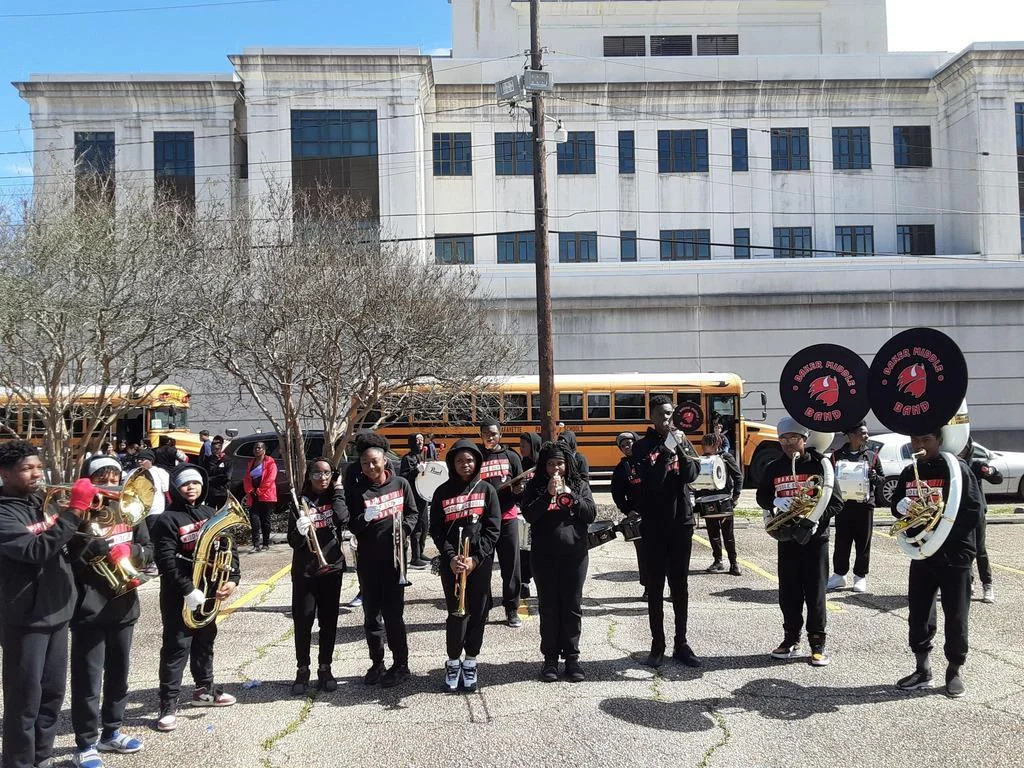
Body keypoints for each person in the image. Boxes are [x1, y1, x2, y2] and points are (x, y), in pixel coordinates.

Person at [0, 441, 92, 768]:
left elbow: (66, 546)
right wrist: (74, 512)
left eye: (39, 467)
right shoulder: (3, 512)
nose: (37, 473)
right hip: (26, 619)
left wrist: (86, 523)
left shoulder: (42, 501)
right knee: (24, 702)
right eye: (27, 468)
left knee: (52, 696)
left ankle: (42, 759)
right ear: (5, 474)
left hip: (58, 612)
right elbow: (35, 550)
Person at [68, 456, 150, 767]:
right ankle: (85, 742)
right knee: (88, 679)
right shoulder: (76, 515)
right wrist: (95, 548)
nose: (110, 482)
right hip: (89, 607)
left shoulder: (130, 510)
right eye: (102, 476)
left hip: (124, 603)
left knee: (119, 675)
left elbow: (148, 547)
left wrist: (134, 552)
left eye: (115, 476)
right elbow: (69, 559)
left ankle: (112, 732)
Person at [892, 429, 983, 698]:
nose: (919, 446)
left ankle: (954, 670)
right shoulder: (910, 471)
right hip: (922, 551)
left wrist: (940, 534)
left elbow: (973, 511)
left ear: (939, 441)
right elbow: (896, 501)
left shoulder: (957, 469)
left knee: (956, 614)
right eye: (914, 441)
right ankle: (922, 669)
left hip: (955, 554)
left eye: (926, 440)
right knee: (918, 612)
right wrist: (901, 505)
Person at [150, 465, 239, 732]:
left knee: (205, 641)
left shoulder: (210, 513)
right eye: (185, 484)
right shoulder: (166, 519)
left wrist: (232, 580)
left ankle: (204, 690)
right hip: (180, 594)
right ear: (176, 489)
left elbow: (228, 549)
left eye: (196, 483)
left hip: (209, 590)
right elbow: (166, 561)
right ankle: (168, 703)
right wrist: (188, 589)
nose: (191, 488)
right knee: (177, 647)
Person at [756, 416, 844, 667]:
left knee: (815, 592)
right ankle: (790, 639)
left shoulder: (819, 464)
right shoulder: (774, 467)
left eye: (793, 438)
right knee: (789, 591)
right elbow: (762, 496)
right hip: (786, 537)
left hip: (816, 539)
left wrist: (814, 518)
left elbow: (836, 501)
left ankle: (818, 643)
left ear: (804, 438)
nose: (788, 444)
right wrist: (775, 502)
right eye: (783, 439)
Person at [632, 396, 702, 668]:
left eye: (671, 414)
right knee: (656, 586)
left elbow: (691, 474)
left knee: (680, 585)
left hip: (680, 523)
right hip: (654, 525)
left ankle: (681, 642)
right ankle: (657, 643)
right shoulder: (641, 447)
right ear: (652, 417)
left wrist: (681, 450)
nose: (668, 419)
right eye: (662, 415)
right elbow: (650, 483)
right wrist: (664, 454)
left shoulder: (682, 440)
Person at [345, 433, 419, 688]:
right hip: (368, 561)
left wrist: (404, 533)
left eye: (374, 461)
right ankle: (377, 663)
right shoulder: (358, 491)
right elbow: (352, 524)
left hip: (395, 561)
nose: (370, 467)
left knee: (394, 616)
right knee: (371, 617)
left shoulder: (401, 484)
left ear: (385, 460)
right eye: (365, 463)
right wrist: (364, 518)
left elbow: (413, 513)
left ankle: (401, 665)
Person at [429, 439, 501, 692]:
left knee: (479, 612)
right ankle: (453, 660)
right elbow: (436, 530)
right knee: (456, 613)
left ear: (477, 462)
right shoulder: (442, 491)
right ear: (452, 463)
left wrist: (476, 558)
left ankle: (471, 659)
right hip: (453, 564)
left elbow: (493, 529)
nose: (465, 464)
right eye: (460, 460)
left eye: (470, 460)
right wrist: (450, 557)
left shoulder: (487, 490)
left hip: (478, 563)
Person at [521, 440, 595, 682]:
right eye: (551, 464)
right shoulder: (535, 486)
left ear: (568, 464)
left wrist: (571, 496)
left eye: (560, 464)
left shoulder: (579, 484)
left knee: (572, 607)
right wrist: (548, 495)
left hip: (575, 555)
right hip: (544, 556)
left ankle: (572, 659)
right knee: (549, 607)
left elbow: (590, 514)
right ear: (544, 465)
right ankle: (550, 659)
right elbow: (530, 515)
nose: (555, 469)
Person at [288, 458, 348, 695]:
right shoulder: (299, 501)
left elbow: (343, 519)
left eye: (327, 474)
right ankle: (302, 669)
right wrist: (301, 531)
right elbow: (294, 541)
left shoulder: (335, 498)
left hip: (331, 567)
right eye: (317, 473)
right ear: (309, 475)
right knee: (303, 621)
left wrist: (340, 489)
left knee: (329, 622)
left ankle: (326, 667)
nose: (322, 478)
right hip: (305, 571)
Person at [477, 417, 525, 627]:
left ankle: (511, 608)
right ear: (481, 435)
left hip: (507, 518)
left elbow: (522, 486)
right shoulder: (475, 457)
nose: (490, 437)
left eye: (494, 433)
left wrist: (518, 491)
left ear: (500, 434)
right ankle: (483, 608)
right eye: (486, 433)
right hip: (481, 522)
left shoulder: (511, 457)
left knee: (511, 567)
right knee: (482, 566)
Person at [827, 422, 882, 593]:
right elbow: (828, 479)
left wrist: (874, 477)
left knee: (863, 542)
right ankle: (839, 575)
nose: (866, 436)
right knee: (842, 541)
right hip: (843, 507)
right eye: (862, 433)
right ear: (851, 435)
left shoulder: (872, 456)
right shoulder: (836, 456)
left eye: (867, 433)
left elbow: (881, 479)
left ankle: (860, 576)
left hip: (864, 506)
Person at [959, 438, 1002, 604]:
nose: (961, 450)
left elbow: (997, 478)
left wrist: (991, 471)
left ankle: (988, 584)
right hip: (957, 515)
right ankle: (969, 582)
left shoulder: (975, 465)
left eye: (964, 447)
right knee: (963, 549)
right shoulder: (951, 465)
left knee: (980, 549)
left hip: (976, 514)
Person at [696, 433, 743, 576]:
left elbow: (738, 476)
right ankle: (718, 560)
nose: (705, 447)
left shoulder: (725, 457)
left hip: (723, 499)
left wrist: (736, 495)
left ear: (717, 444)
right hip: (707, 500)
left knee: (728, 533)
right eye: (704, 444)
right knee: (713, 533)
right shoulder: (702, 459)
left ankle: (734, 563)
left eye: (708, 444)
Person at [610, 431, 647, 595]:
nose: (627, 446)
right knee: (644, 554)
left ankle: (671, 589)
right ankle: (648, 588)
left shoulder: (649, 459)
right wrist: (627, 510)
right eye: (623, 445)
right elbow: (617, 493)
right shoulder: (621, 468)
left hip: (657, 514)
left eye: (630, 442)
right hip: (637, 517)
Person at [399, 434, 430, 569]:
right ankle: (415, 557)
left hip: (423, 495)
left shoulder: (421, 456)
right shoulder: (407, 458)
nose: (420, 443)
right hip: (413, 497)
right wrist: (416, 471)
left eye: (421, 440)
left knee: (424, 526)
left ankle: (421, 552)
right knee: (416, 528)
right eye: (417, 441)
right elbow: (404, 476)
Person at [517, 432, 542, 599]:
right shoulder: (520, 464)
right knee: (523, 551)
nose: (521, 448)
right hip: (523, 514)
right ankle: (524, 583)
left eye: (524, 445)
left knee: (539, 552)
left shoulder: (542, 465)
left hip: (540, 514)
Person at [242, 442, 277, 553]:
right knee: (254, 520)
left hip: (266, 496)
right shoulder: (251, 463)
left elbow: (270, 479)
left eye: (259, 448)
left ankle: (265, 544)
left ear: (264, 450)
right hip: (253, 496)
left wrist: (259, 491)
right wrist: (250, 491)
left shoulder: (270, 463)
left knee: (265, 520)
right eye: (255, 448)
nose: (257, 449)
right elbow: (246, 479)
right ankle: (256, 544)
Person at [202, 436, 230, 511]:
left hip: (222, 492)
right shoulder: (208, 460)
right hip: (211, 493)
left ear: (221, 449)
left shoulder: (227, 460)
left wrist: (211, 479)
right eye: (213, 449)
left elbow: (227, 477)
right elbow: (206, 474)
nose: (215, 451)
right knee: (210, 512)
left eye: (217, 449)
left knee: (222, 512)